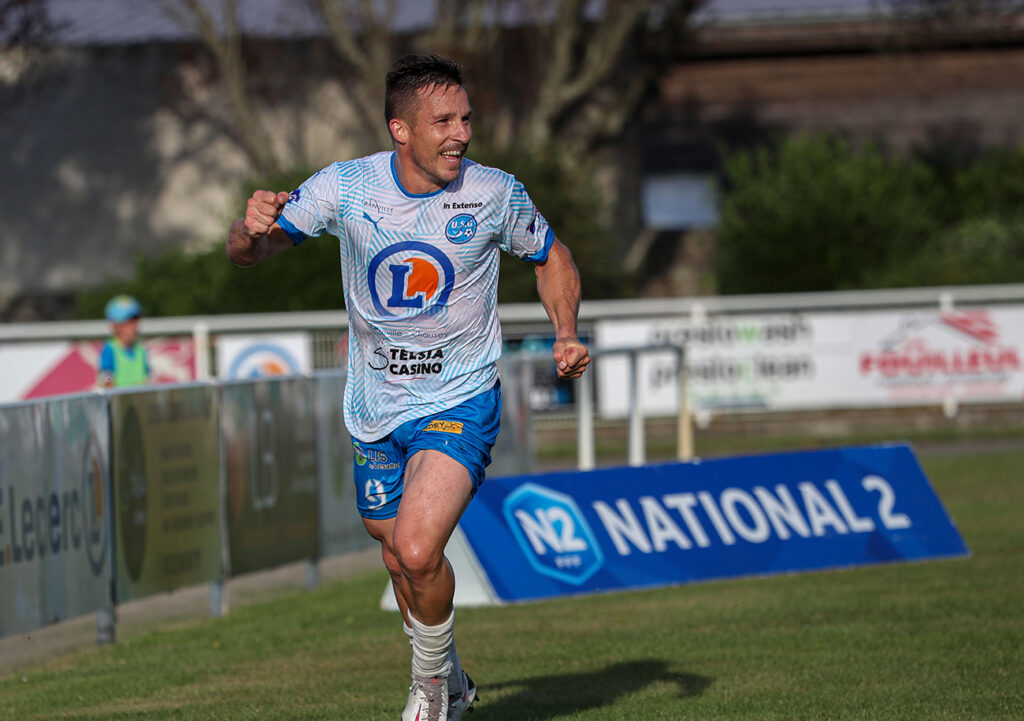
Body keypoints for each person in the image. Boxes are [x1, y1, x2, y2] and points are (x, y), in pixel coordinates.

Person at [226, 54, 590, 721]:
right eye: (443, 121)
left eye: (466, 118)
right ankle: (451, 673)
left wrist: (565, 329)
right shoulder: (346, 188)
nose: (461, 134)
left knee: (420, 547)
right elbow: (255, 251)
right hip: (373, 407)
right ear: (401, 128)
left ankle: (430, 689)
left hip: (461, 397)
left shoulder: (493, 194)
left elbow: (552, 255)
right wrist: (248, 229)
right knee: (397, 552)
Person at [97, 294, 151, 388]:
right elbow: (107, 375)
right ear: (116, 326)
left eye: (135, 322)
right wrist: (109, 383)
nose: (134, 327)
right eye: (129, 322)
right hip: (119, 401)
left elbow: (147, 375)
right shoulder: (110, 349)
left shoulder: (140, 348)